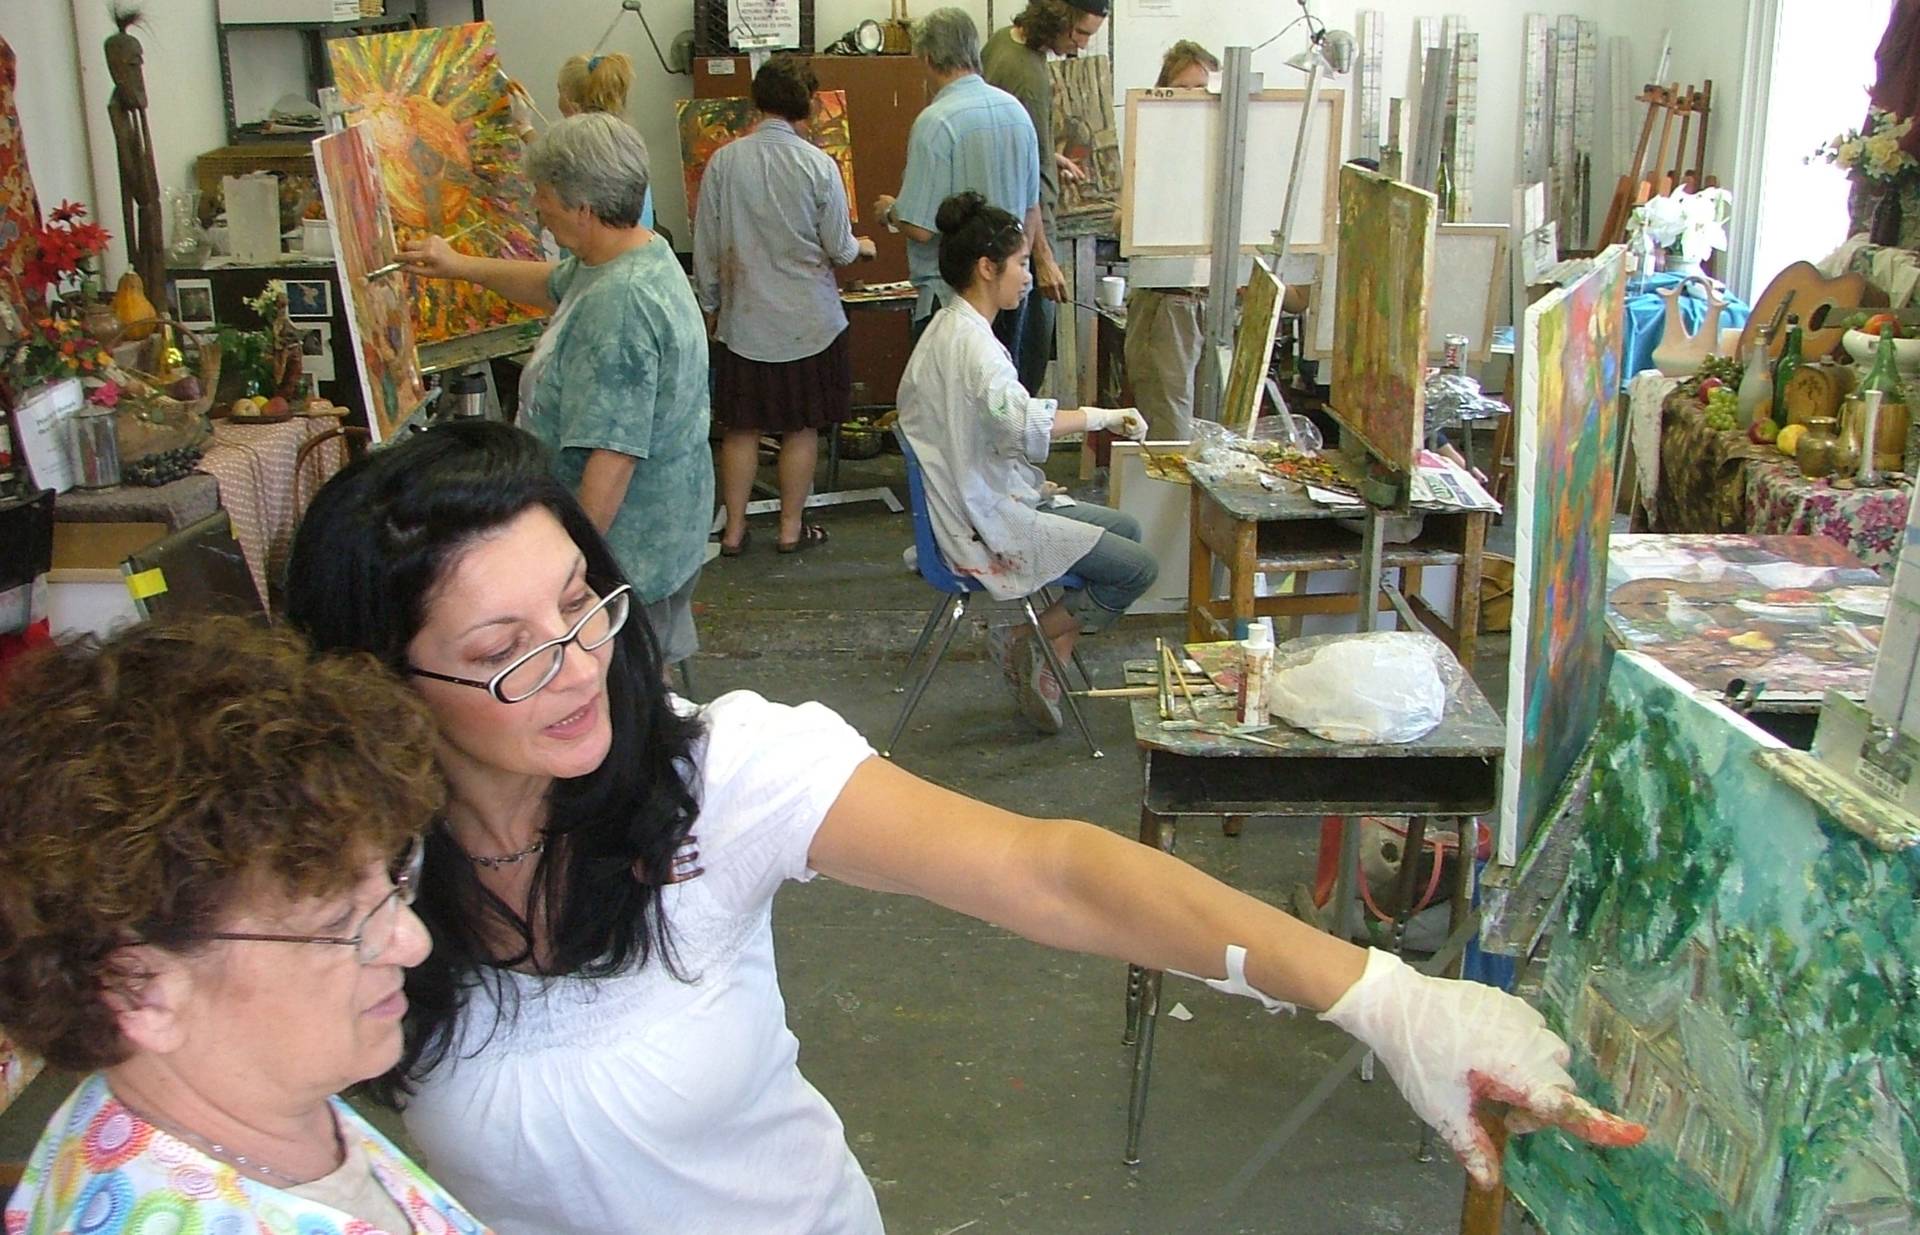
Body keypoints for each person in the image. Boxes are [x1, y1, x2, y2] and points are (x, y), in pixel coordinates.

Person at [282, 419, 1640, 1235]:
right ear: (380, 683)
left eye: (582, 602)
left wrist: (1385, 996)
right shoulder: (350, 877)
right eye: (504, 649)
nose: (578, 661)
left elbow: (1050, 869)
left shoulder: (714, 774)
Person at [0, 616, 493, 1235]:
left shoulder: (256, 1108)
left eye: (393, 879)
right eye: (339, 920)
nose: (413, 943)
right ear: (137, 987)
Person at [399, 113, 710, 671]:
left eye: (543, 196)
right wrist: (456, 265)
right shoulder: (628, 253)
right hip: (658, 533)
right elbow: (550, 283)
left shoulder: (621, 304)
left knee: (617, 698)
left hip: (628, 554)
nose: (537, 207)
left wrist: (568, 574)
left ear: (582, 208)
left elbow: (612, 458)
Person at [896, 192, 1155, 732]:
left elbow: (989, 428)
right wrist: (1100, 417)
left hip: (974, 498)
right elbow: (1018, 422)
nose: (1029, 276)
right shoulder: (974, 347)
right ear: (986, 268)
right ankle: (1024, 641)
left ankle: (1047, 657)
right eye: (1020, 263)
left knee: (1127, 529)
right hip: (977, 519)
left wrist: (1018, 477)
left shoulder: (949, 327)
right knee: (1138, 568)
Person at [695, 54, 878, 556]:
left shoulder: (723, 163)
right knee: (801, 427)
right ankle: (790, 529)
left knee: (741, 430)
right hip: (809, 323)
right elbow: (840, 249)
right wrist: (863, 247)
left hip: (744, 321)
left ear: (756, 101)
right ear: (809, 105)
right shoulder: (820, 165)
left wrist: (710, 306)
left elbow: (707, 247)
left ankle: (734, 531)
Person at [873, 8, 1041, 344]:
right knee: (1002, 376)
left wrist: (890, 211)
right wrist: (1017, 268)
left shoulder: (936, 123)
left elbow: (921, 228)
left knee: (947, 380)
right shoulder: (1017, 113)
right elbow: (1031, 210)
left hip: (951, 298)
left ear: (928, 58)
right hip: (1008, 293)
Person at [981, 0, 1108, 394]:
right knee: (1024, 367)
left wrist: (1049, 158)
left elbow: (1012, 142)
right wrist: (1043, 259)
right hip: (1023, 233)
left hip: (1004, 226)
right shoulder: (1026, 75)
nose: (1082, 45)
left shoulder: (1003, 44)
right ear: (1058, 16)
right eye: (1080, 32)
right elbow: (1026, 180)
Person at [1123, 40, 1217, 440]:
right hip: (1167, 302)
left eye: (1203, 90)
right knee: (1170, 432)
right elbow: (1125, 221)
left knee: (1214, 431)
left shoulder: (1220, 151)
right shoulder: (1151, 146)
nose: (1193, 100)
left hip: (1210, 301)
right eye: (1183, 89)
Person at [552, 51, 656, 231]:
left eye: (559, 91)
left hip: (606, 240)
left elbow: (549, 175)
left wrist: (524, 128)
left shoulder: (582, 145)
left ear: (571, 102)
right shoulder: (625, 135)